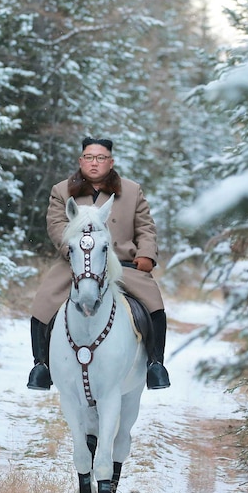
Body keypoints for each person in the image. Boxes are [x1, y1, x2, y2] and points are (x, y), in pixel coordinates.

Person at [27, 137, 171, 391]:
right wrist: (74, 250)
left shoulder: (132, 190)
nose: (95, 163)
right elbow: (56, 226)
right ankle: (42, 366)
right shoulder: (61, 191)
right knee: (43, 303)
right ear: (81, 160)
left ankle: (155, 365)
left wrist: (146, 254)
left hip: (124, 265)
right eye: (89, 157)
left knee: (154, 306)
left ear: (111, 161)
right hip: (76, 264)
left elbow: (146, 228)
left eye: (101, 158)